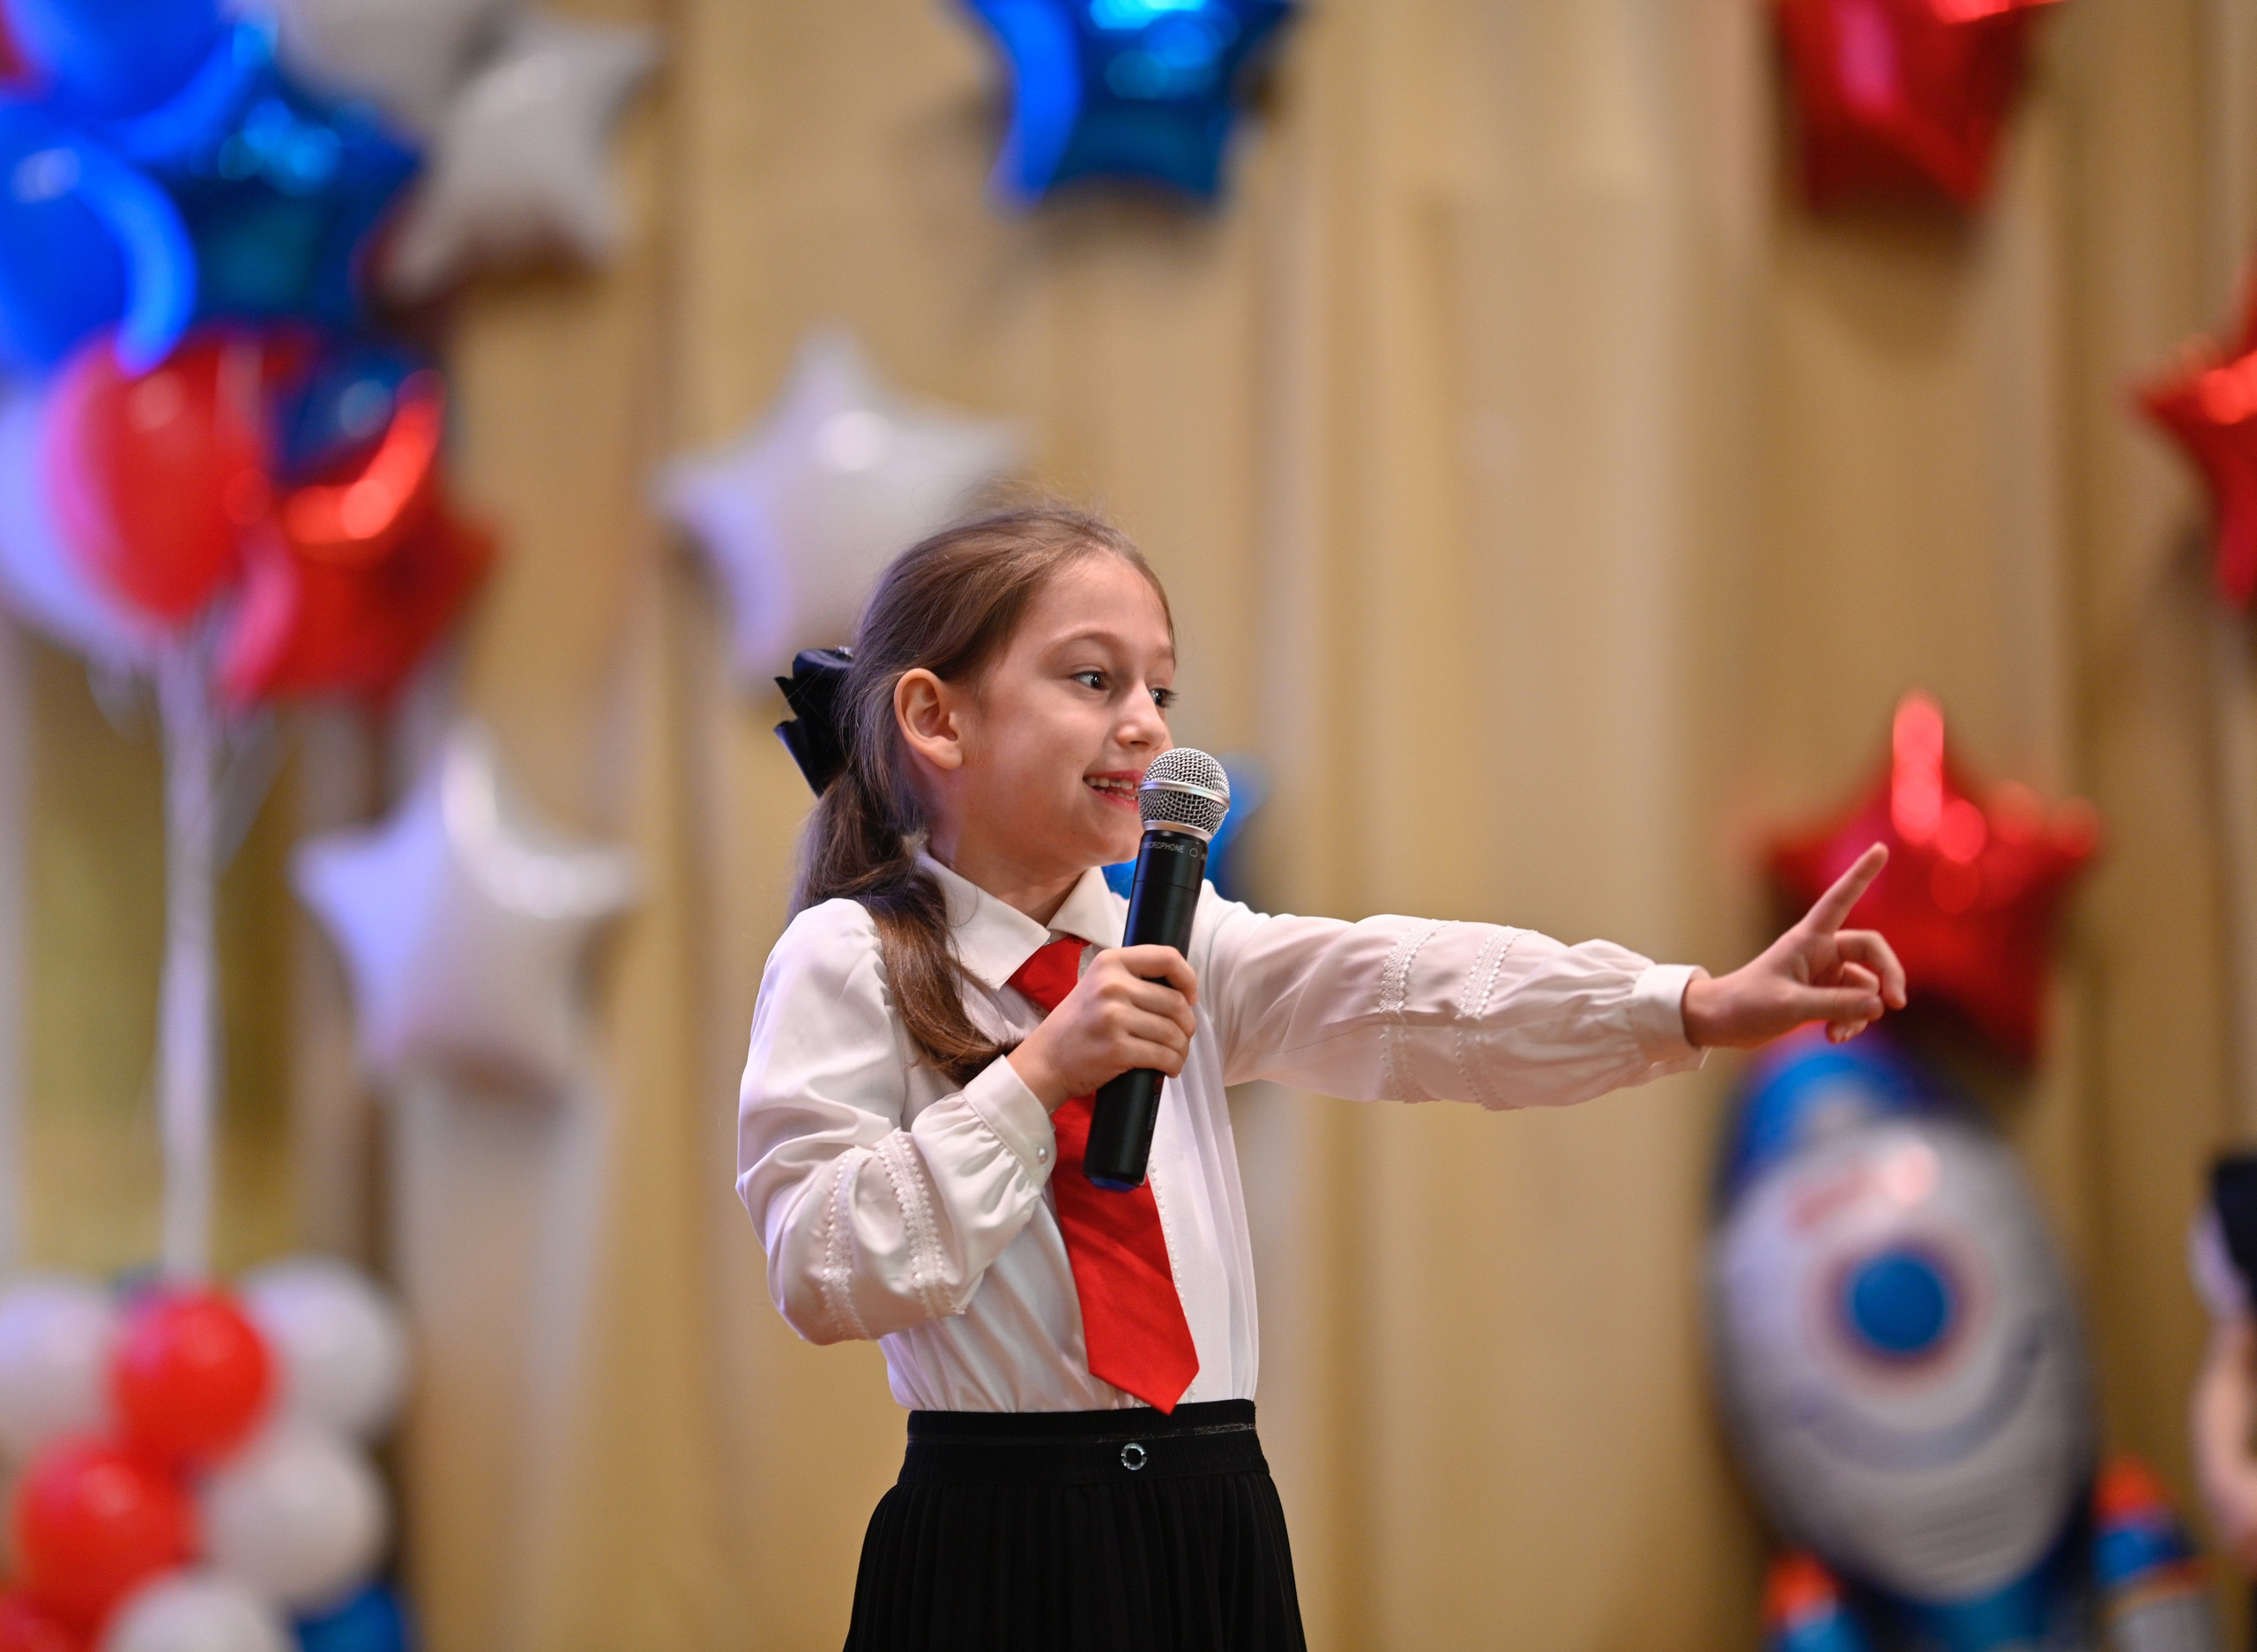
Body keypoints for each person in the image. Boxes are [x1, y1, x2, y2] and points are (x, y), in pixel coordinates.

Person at [736, 503, 1907, 1652]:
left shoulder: (1180, 937)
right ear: (937, 719)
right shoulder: (850, 957)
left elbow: (1408, 991)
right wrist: (1040, 1073)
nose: (1146, 725)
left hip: (1215, 1518)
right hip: (999, 1538)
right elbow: (827, 1265)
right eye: (1094, 679)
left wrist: (1692, 1002)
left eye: (1162, 690)